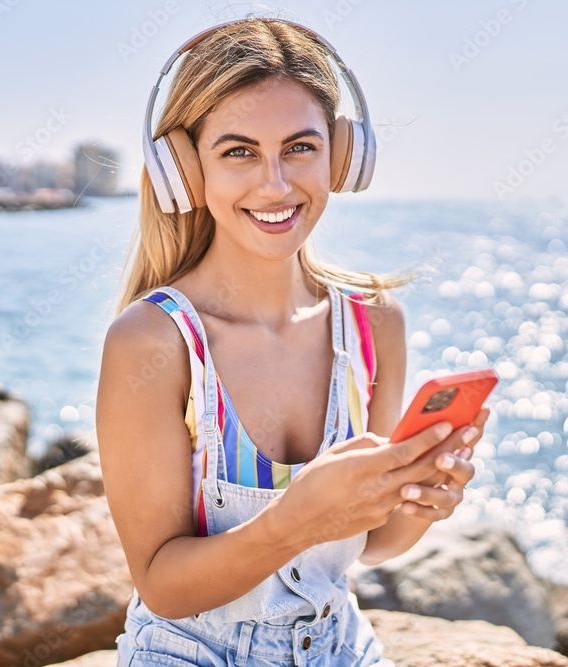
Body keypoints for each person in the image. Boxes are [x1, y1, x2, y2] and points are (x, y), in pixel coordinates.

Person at [96, 15, 491, 667]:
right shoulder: (154, 342)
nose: (276, 185)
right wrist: (295, 519)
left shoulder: (373, 323)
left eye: (300, 147)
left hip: (341, 648)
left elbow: (373, 540)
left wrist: (424, 499)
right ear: (186, 169)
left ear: (342, 156)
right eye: (239, 151)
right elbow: (162, 584)